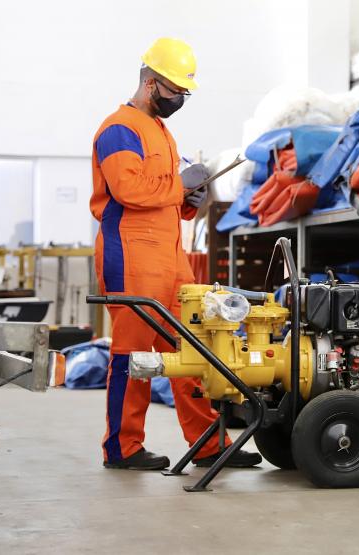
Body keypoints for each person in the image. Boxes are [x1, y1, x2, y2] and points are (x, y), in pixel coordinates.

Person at [90, 37, 261, 470]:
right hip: (131, 256)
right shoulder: (119, 129)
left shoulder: (162, 133)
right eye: (174, 90)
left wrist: (191, 198)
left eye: (185, 92)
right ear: (150, 83)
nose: (179, 99)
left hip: (170, 258)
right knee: (133, 354)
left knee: (193, 349)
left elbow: (167, 199)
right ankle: (122, 448)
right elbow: (127, 189)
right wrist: (179, 186)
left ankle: (208, 445)